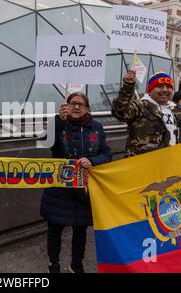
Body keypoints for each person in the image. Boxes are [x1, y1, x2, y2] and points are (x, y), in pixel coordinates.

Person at [40, 92, 112, 273]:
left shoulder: (96, 127)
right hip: (59, 189)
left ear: (87, 108)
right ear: (67, 106)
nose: (76, 107)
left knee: (80, 231)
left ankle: (76, 264)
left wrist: (93, 161)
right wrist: (58, 121)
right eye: (73, 103)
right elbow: (42, 142)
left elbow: (107, 154)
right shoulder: (58, 123)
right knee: (54, 230)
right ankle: (53, 264)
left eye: (81, 104)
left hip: (84, 190)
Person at [112, 70, 181, 157]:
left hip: (170, 162)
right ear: (150, 90)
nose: (165, 90)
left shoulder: (176, 111)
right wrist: (128, 86)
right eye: (159, 86)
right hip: (143, 163)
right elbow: (121, 112)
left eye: (168, 87)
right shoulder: (140, 107)